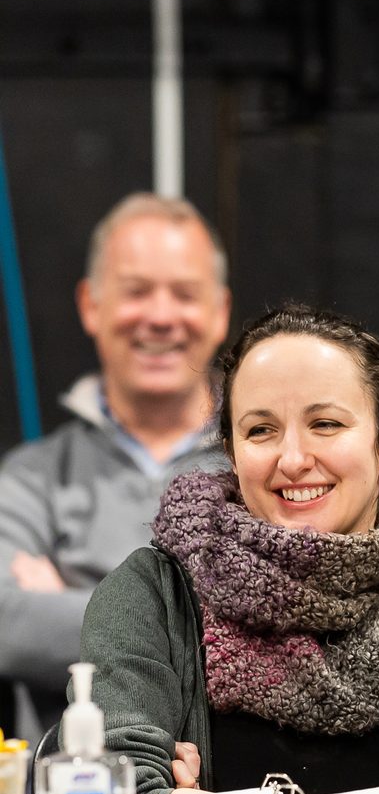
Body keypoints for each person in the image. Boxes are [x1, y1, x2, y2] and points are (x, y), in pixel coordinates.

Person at [55, 304, 379, 794]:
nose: (293, 459)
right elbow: (114, 790)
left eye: (327, 424)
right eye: (260, 430)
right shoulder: (149, 595)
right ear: (232, 450)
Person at [0, 193, 231, 741]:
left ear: (220, 311)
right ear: (90, 305)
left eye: (184, 293)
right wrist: (217, 619)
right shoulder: (31, 478)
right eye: (135, 291)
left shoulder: (268, 465)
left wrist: (71, 603)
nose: (160, 315)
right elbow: (6, 624)